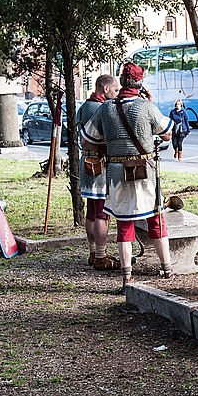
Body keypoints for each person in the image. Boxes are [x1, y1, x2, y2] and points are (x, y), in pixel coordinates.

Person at [82, 63, 174, 290]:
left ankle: (127, 276)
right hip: (145, 172)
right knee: (156, 220)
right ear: (140, 83)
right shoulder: (145, 107)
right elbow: (167, 135)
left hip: (115, 174)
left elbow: (88, 140)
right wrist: (150, 104)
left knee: (124, 225)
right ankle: (166, 268)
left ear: (121, 82)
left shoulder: (105, 109)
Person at [78, 74, 120, 271]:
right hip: (99, 163)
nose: (116, 93)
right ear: (105, 88)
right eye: (115, 89)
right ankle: (101, 257)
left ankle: (93, 251)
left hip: (85, 161)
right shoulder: (101, 108)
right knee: (101, 212)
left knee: (91, 210)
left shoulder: (84, 106)